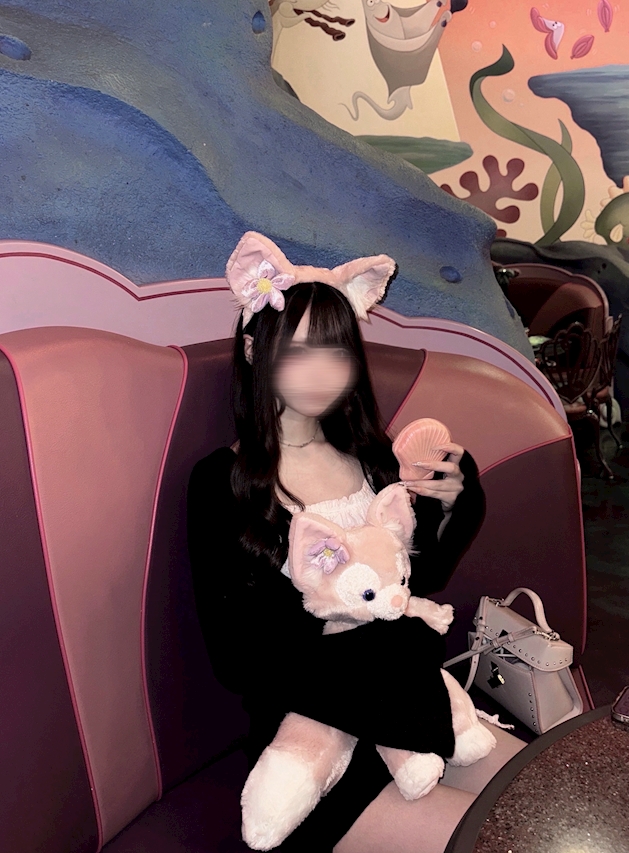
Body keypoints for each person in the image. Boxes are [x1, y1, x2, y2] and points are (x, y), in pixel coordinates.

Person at [187, 232, 526, 853]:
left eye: (337, 352)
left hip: (409, 698)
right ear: (253, 348)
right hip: (310, 733)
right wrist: (391, 649)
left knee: (542, 795)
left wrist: (454, 501)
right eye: (298, 351)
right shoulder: (222, 482)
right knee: (508, 839)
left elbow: (417, 580)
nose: (321, 372)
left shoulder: (372, 458)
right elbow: (238, 660)